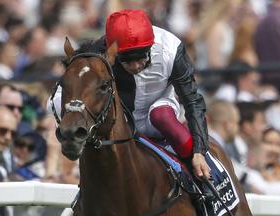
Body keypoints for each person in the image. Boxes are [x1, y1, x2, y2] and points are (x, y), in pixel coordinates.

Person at [52, 9, 211, 189]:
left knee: (161, 116)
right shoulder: (97, 53)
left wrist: (199, 150)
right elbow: (60, 98)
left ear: (151, 46)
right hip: (123, 119)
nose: (136, 66)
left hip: (161, 107)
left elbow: (192, 101)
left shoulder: (171, 48)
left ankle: (209, 180)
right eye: (126, 59)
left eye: (142, 57)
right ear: (111, 49)